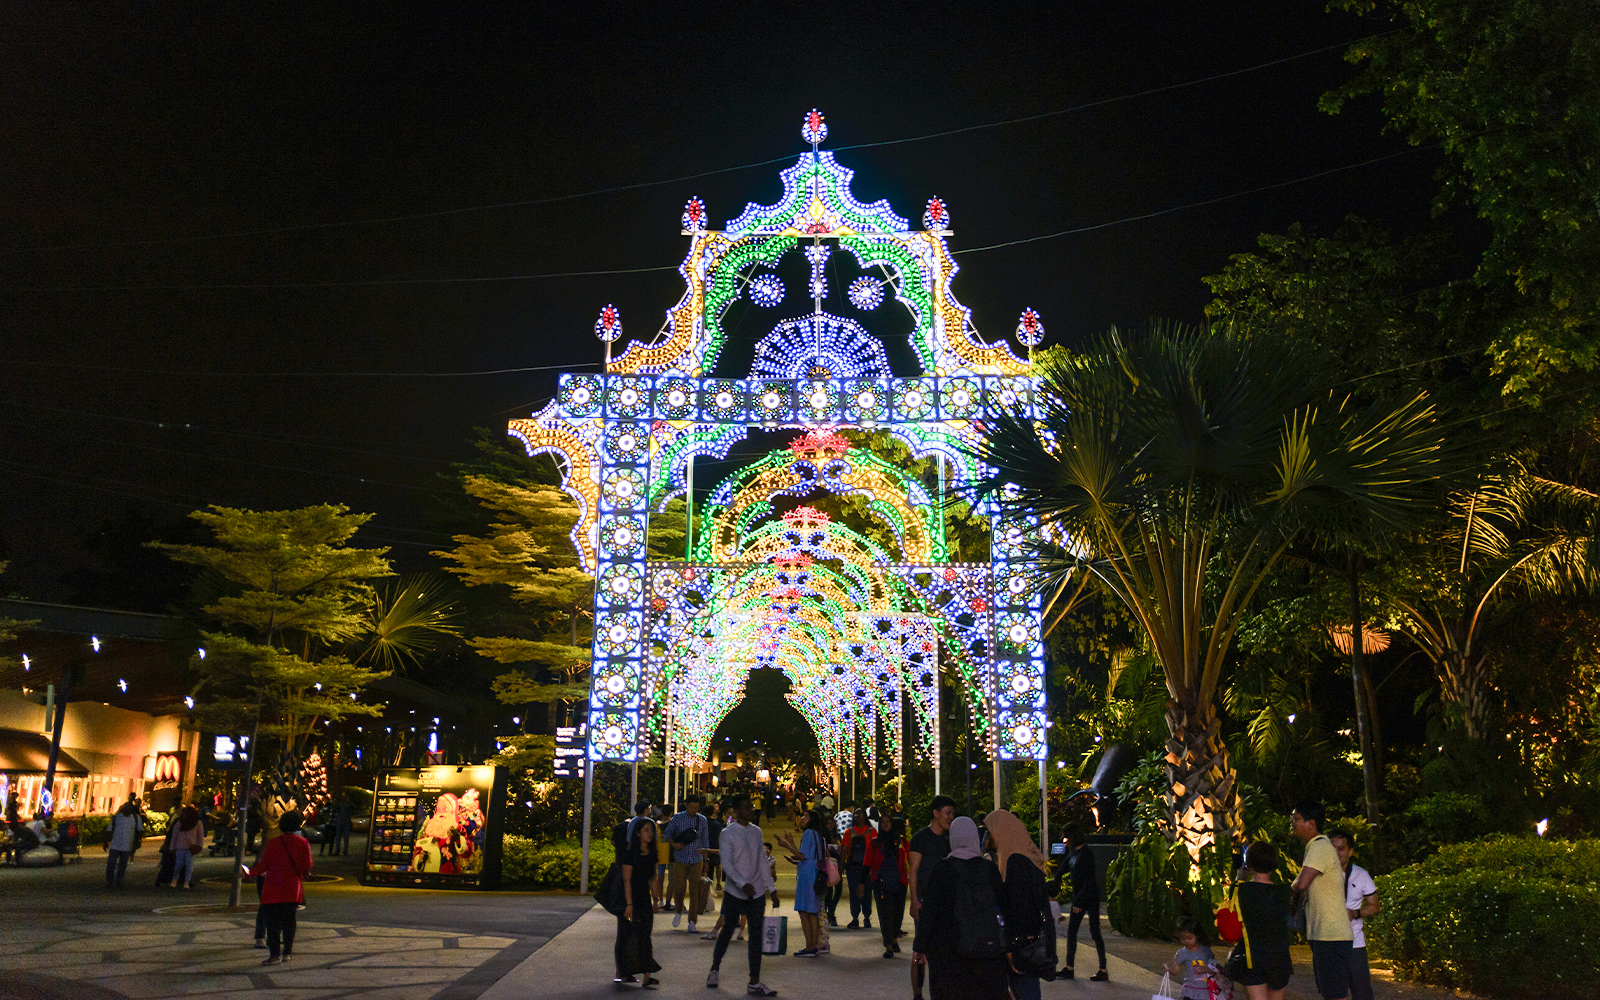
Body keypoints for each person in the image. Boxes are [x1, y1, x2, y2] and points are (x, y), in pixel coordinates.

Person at [912, 816, 1009, 1000]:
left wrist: (920, 946)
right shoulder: (989, 869)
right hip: (986, 951)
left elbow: (929, 911)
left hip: (947, 954)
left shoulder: (942, 869)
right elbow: (1003, 906)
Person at [706, 793, 778, 996]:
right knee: (727, 929)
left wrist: (771, 889)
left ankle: (754, 981)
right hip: (734, 892)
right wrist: (741, 883)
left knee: (756, 936)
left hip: (756, 893)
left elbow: (762, 861)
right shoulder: (728, 833)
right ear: (737, 811)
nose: (752, 810)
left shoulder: (756, 832)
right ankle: (714, 968)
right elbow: (726, 863)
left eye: (752, 807)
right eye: (747, 807)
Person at [989, 809, 1055, 1000]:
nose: (990, 835)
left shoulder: (1014, 861)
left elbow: (1018, 907)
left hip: (1021, 943)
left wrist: (1010, 947)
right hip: (1030, 940)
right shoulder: (1025, 854)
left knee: (1024, 988)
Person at [1292, 801, 1353, 1000]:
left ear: (1311, 823)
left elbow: (1301, 884)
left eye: (1296, 818)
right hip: (1326, 934)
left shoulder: (1319, 847)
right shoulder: (1316, 847)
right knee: (1331, 991)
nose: (1292, 822)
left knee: (1335, 993)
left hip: (1330, 935)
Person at [242, 810, 313, 966]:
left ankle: (274, 955)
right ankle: (287, 952)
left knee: (273, 924)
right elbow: (306, 867)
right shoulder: (303, 843)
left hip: (272, 889)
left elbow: (262, 866)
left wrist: (249, 872)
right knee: (289, 921)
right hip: (291, 888)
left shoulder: (273, 843)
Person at [908, 794, 955, 1000]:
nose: (951, 817)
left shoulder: (949, 841)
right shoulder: (921, 838)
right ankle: (917, 993)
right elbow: (913, 870)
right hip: (925, 899)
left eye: (952, 813)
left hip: (945, 902)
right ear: (935, 814)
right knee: (921, 947)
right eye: (947, 813)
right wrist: (914, 900)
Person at [1234, 840, 1293, 998]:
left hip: (1253, 957)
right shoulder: (1285, 891)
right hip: (1280, 958)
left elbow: (1231, 915)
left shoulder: (1242, 890)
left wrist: (1239, 876)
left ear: (1249, 863)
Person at [1328, 829, 1379, 1000]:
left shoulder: (1361, 874)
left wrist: (1355, 913)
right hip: (1328, 943)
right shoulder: (1319, 874)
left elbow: (1374, 906)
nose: (1336, 853)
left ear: (1350, 851)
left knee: (1362, 992)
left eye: (1341, 849)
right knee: (1334, 993)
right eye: (1332, 849)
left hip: (1354, 944)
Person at [616, 813, 663, 987]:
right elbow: (626, 880)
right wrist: (629, 904)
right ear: (637, 833)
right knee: (626, 936)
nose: (650, 834)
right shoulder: (630, 854)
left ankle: (647, 975)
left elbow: (653, 878)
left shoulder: (652, 854)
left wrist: (656, 899)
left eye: (651, 831)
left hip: (644, 897)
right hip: (630, 897)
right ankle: (622, 972)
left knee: (645, 935)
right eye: (646, 830)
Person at [1061, 825, 1109, 981]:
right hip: (1079, 897)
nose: (1064, 841)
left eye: (1066, 837)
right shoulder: (1073, 852)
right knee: (1072, 931)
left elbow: (1089, 880)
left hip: (1090, 897)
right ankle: (1069, 967)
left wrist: (1079, 902)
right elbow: (1065, 867)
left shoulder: (1086, 853)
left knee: (1095, 931)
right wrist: (1054, 880)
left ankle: (1103, 969)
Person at [664, 794, 710, 932]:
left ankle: (692, 921)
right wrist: (674, 844)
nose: (694, 810)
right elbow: (667, 834)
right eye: (691, 807)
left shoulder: (702, 820)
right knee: (679, 888)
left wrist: (706, 861)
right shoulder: (678, 818)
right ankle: (678, 911)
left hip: (696, 859)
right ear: (686, 806)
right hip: (681, 858)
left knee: (695, 890)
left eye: (696, 807)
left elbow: (705, 840)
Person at [866, 814, 909, 959]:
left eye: (888, 821)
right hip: (880, 884)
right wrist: (862, 884)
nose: (885, 824)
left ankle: (894, 938)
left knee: (897, 913)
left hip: (900, 882)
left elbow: (910, 861)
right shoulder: (874, 843)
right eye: (882, 822)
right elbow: (867, 863)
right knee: (885, 914)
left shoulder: (903, 842)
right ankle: (888, 945)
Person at [1164, 916, 1221, 1000]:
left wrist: (1206, 969)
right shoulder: (1182, 953)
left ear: (1197, 936)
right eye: (1183, 938)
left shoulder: (1206, 951)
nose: (1186, 941)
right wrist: (1169, 969)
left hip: (1204, 991)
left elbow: (1216, 969)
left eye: (1189, 938)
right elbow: (1176, 969)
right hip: (1189, 990)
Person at [840, 808, 875, 930]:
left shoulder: (869, 832)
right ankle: (857, 917)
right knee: (855, 892)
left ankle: (865, 917)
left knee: (865, 892)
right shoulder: (850, 832)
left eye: (860, 814)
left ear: (865, 817)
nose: (858, 816)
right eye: (856, 814)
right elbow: (844, 849)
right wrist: (841, 866)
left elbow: (875, 851)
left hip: (866, 867)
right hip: (853, 866)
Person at [105, 798, 143, 887]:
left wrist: (138, 841)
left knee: (122, 865)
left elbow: (140, 831)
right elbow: (109, 830)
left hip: (127, 845)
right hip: (115, 844)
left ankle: (118, 880)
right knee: (111, 863)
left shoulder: (136, 818)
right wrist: (106, 841)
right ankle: (110, 880)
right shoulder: (117, 818)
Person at [170, 805, 205, 888]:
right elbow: (174, 836)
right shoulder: (179, 823)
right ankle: (175, 878)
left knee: (189, 865)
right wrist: (172, 847)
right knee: (179, 864)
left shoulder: (197, 823)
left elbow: (200, 835)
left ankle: (186, 882)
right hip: (180, 846)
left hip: (191, 847)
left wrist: (199, 845)